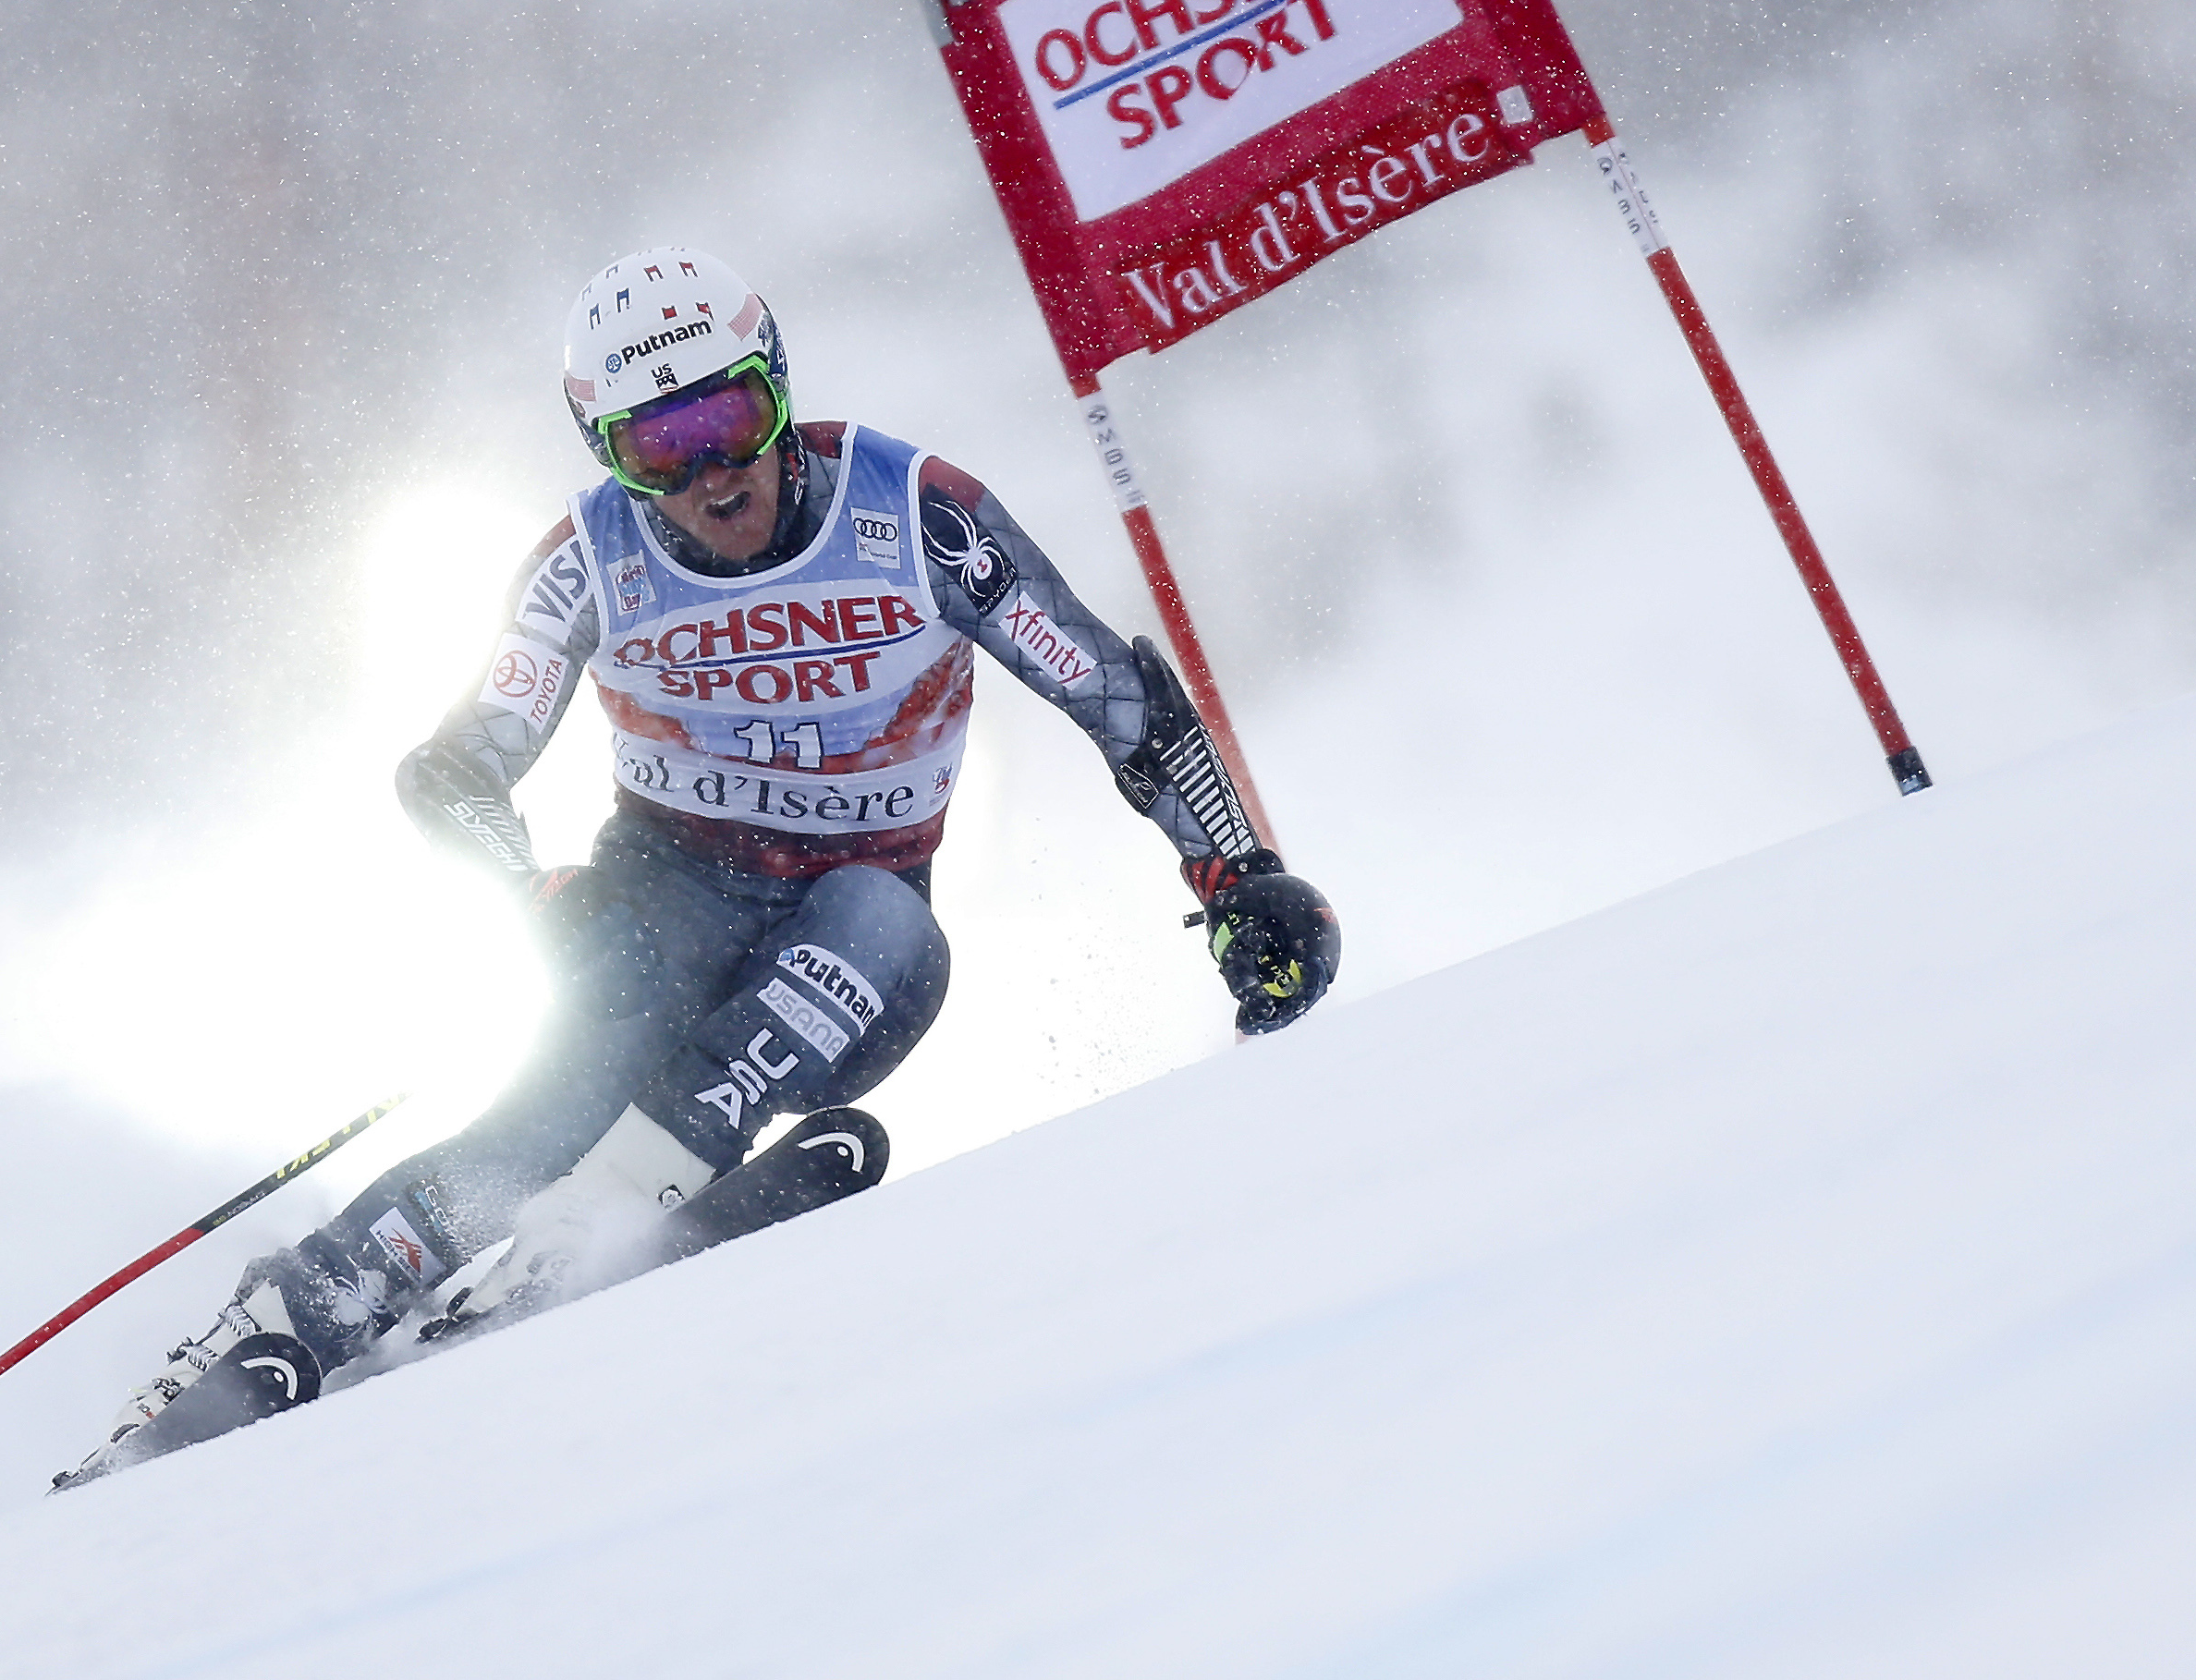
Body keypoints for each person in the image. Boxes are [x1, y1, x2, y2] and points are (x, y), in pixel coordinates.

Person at [65, 246, 1336, 1480]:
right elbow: (453, 771)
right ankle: (302, 1314)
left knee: (873, 926)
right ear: (605, 453)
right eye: (654, 447)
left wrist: (1239, 876)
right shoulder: (590, 561)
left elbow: (1114, 698)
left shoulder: (913, 517)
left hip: (860, 925)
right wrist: (532, 896)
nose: (709, 473)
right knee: (564, 1092)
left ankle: (584, 1234)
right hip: (665, 901)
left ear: (780, 388)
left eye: (732, 417)